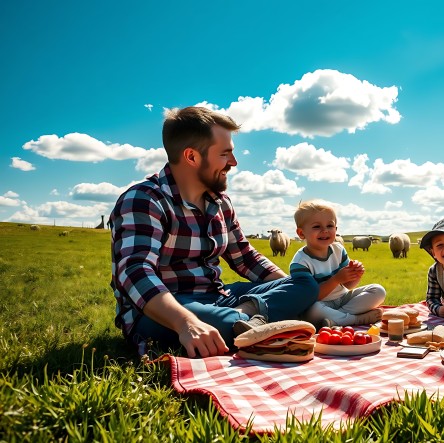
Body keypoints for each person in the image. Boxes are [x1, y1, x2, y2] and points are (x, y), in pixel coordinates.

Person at [110, 106, 318, 358]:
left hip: (220, 297)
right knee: (216, 323)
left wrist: (290, 287)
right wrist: (186, 323)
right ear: (192, 157)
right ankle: (263, 322)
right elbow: (135, 272)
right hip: (167, 309)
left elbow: (246, 257)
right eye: (225, 154)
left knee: (307, 283)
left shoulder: (221, 203)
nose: (234, 162)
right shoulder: (144, 200)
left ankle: (249, 320)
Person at [289, 200, 385, 327]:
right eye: (317, 226)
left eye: (330, 226)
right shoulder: (300, 262)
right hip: (320, 303)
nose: (325, 231)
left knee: (378, 290)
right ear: (301, 233)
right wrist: (336, 279)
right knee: (313, 310)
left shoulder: (338, 250)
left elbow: (348, 285)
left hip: (343, 299)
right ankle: (357, 320)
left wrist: (355, 275)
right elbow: (311, 297)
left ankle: (336, 319)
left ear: (336, 228)